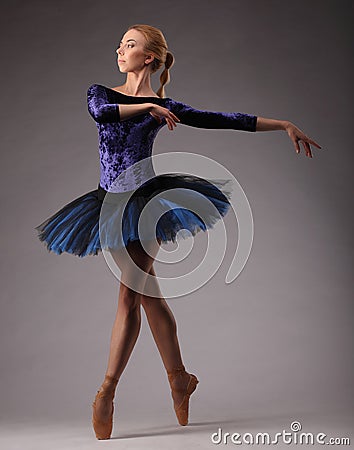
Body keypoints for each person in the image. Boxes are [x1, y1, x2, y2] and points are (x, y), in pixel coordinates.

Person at [34, 24, 321, 440]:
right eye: (120, 44)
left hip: (148, 204)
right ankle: (180, 379)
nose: (120, 49)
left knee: (131, 294)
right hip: (110, 204)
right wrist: (148, 107)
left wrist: (283, 124)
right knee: (147, 294)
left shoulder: (167, 105)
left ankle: (107, 391)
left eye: (129, 45)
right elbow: (103, 113)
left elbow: (225, 119)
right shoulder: (100, 91)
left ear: (149, 57)